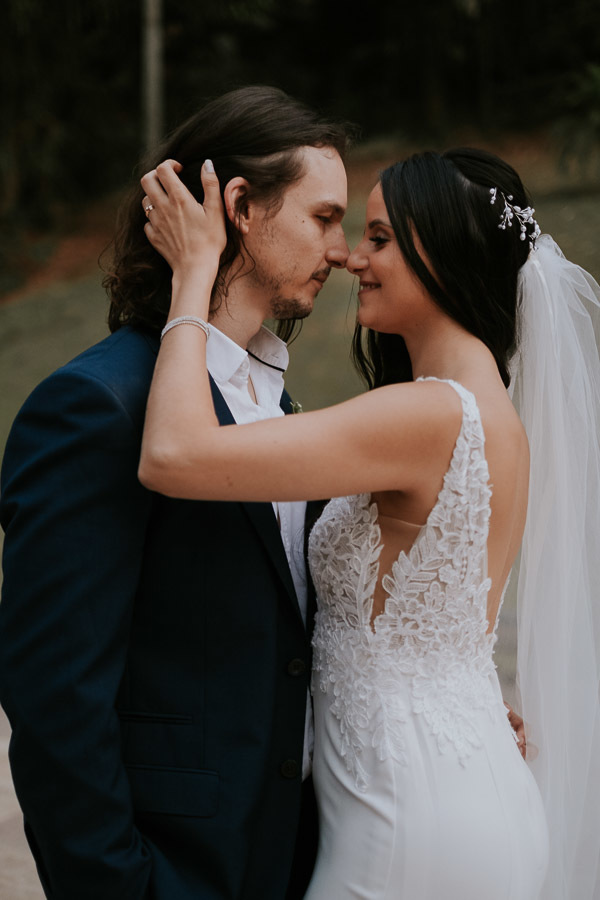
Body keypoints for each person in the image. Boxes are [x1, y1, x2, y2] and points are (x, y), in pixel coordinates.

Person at [137, 147, 600, 899]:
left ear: (443, 253)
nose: (354, 258)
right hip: (451, 782)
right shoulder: (488, 412)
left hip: (409, 817)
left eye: (380, 237)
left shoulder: (428, 413)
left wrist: (195, 273)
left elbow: (173, 455)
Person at [0, 86, 353, 900]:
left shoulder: (283, 405)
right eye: (324, 217)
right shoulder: (96, 405)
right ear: (240, 207)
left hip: (297, 860)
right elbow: (57, 699)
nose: (339, 249)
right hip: (173, 871)